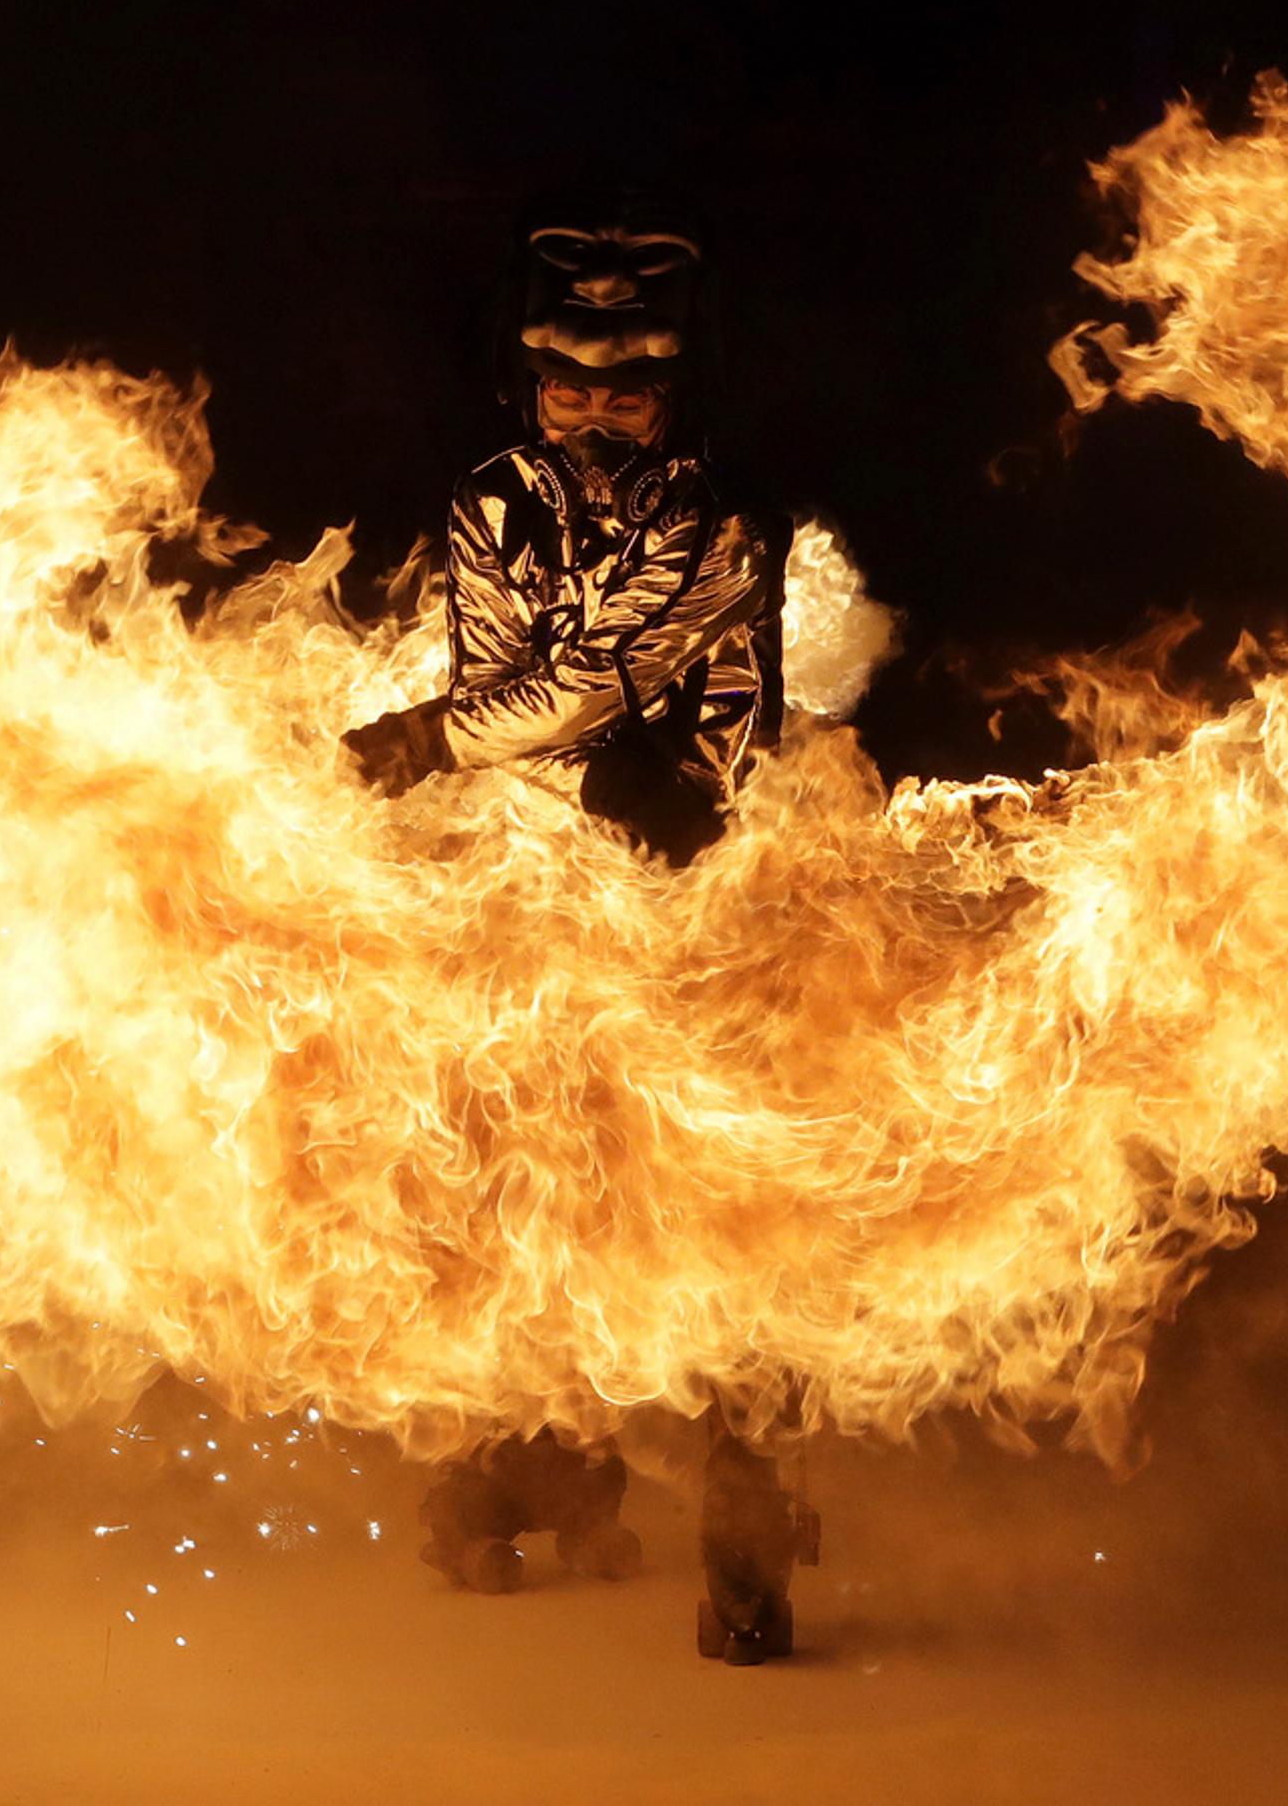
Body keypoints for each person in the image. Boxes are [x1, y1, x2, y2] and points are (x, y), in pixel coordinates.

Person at [343, 192, 817, 1663]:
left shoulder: (724, 515)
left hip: (709, 881)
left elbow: (601, 680)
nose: (598, 409)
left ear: (677, 392)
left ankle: (746, 1539)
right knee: (519, 1173)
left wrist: (435, 739)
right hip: (548, 877)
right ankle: (519, 1475)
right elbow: (509, 683)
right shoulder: (490, 497)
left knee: (726, 1208)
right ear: (527, 379)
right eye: (570, 380)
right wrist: (494, 770)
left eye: (631, 383)